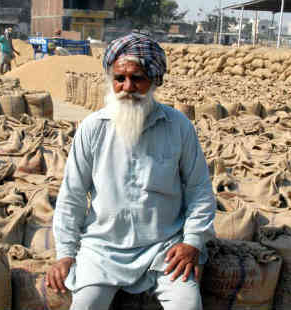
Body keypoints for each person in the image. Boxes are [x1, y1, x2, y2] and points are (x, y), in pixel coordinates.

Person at [47, 33, 216, 310]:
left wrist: (193, 242)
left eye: (137, 78)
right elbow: (72, 195)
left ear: (154, 81)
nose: (127, 87)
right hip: (102, 249)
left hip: (164, 248)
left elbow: (199, 190)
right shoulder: (92, 128)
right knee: (86, 305)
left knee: (188, 305)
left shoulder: (179, 127)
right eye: (119, 79)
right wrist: (65, 253)